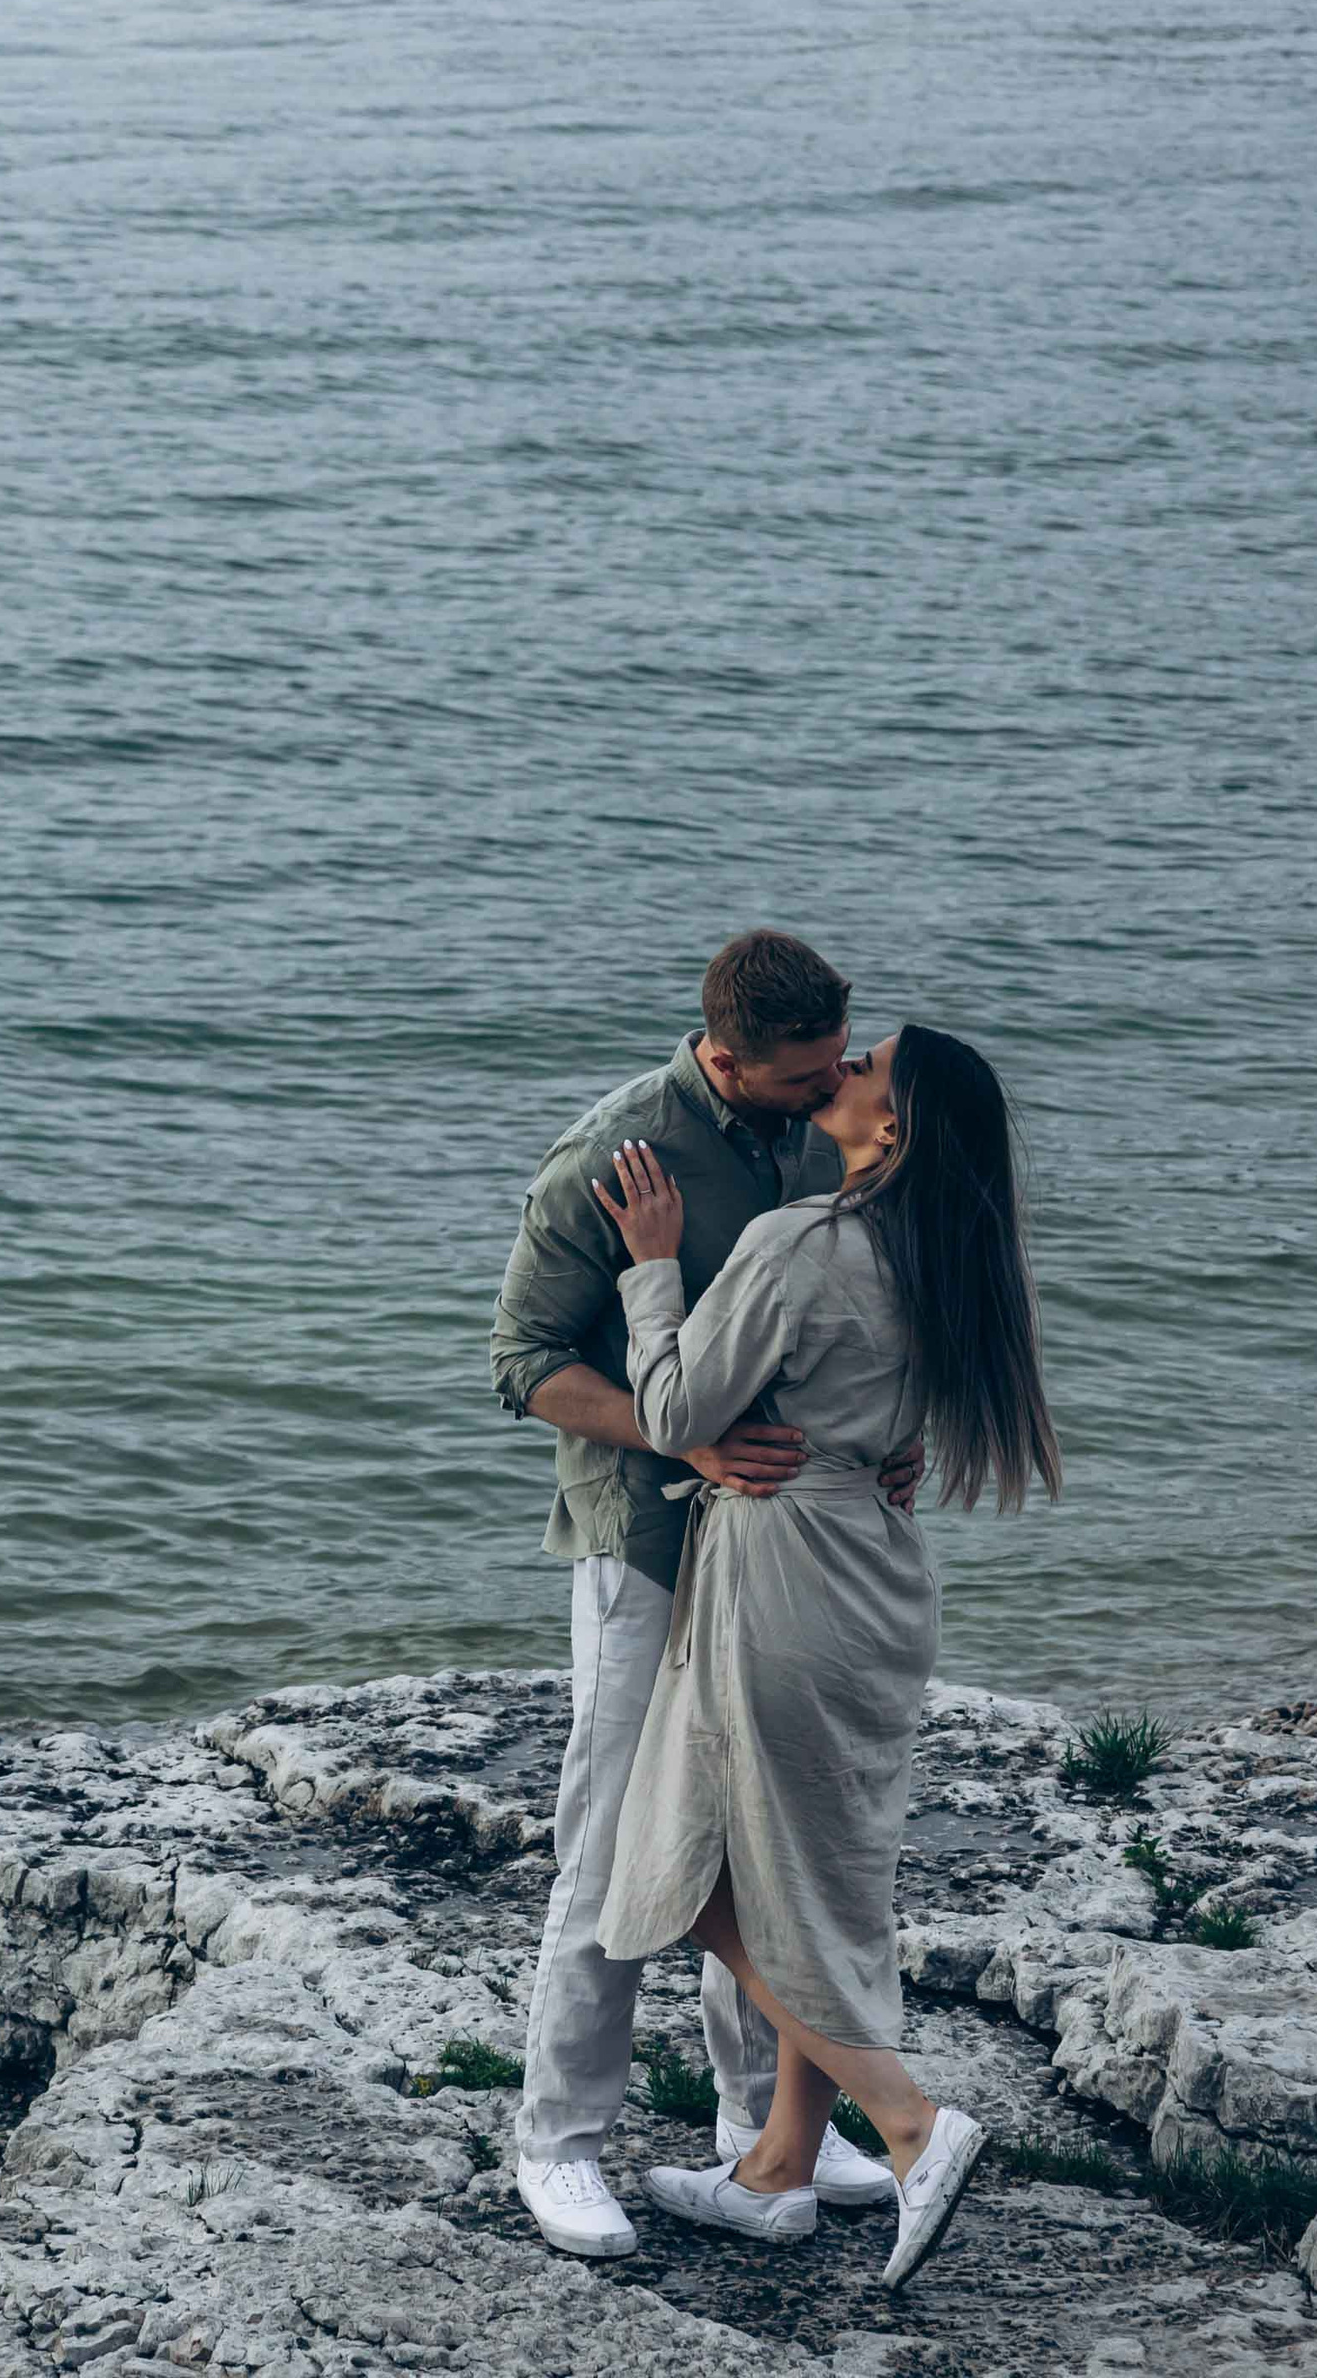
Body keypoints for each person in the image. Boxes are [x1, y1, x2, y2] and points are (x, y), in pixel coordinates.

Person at [592, 1023, 1062, 2289]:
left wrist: (649, 1270)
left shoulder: (798, 1242)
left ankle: (909, 2123)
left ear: (891, 1126)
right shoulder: (953, 1258)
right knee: (823, 1878)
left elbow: (679, 1410)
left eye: (867, 1068)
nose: (841, 1069)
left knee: (697, 1879)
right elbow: (890, 1426)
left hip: (781, 1580)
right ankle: (776, 2167)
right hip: (880, 1577)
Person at [491, 932, 922, 2260]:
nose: (829, 1086)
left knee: (760, 1849)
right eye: (802, 1075)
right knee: (616, 1842)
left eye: (834, 1065)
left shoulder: (820, 1128)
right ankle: (557, 2144)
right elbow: (520, 1364)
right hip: (646, 1546)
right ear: (724, 1056)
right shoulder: (613, 1159)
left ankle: (765, 2142)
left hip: (781, 1560)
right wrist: (678, 1439)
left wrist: (883, 1436)